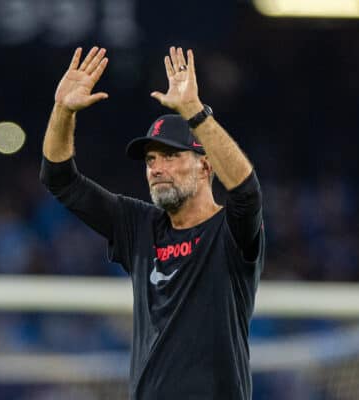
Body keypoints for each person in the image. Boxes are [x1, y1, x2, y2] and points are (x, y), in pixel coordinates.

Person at [40, 45, 265, 400]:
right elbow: (59, 179)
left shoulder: (230, 232)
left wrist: (193, 110)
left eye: (172, 156)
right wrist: (62, 110)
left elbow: (246, 192)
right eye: (150, 160)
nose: (157, 169)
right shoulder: (140, 227)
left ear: (206, 166)